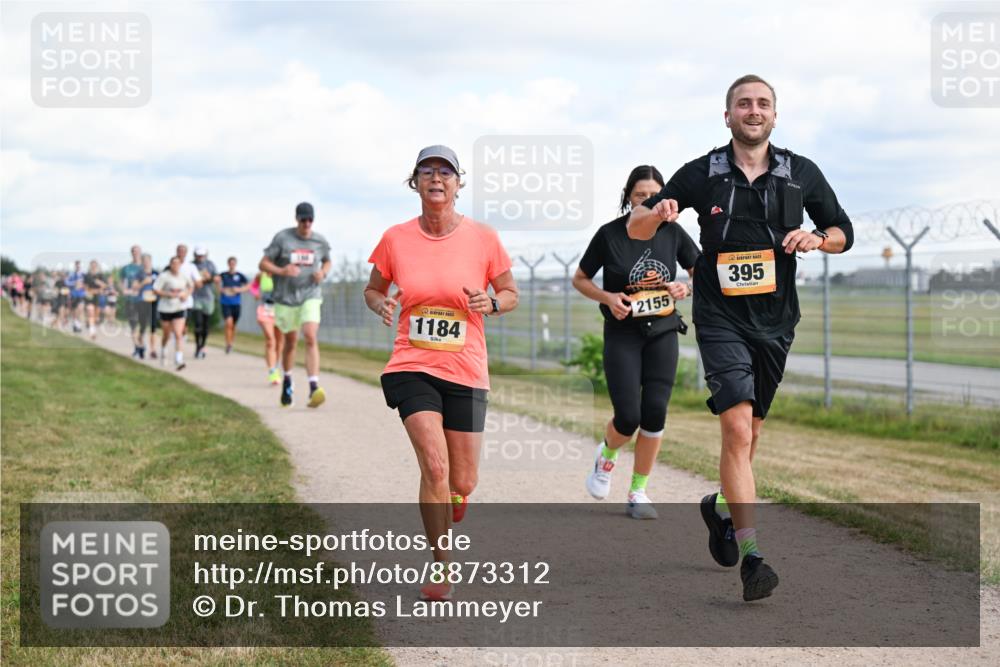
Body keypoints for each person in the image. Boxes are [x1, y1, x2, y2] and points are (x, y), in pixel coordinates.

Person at [631, 74, 854, 601]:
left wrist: (818, 239)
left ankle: (720, 509)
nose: (754, 111)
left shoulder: (800, 173)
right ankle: (753, 557)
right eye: (744, 103)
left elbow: (843, 232)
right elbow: (637, 227)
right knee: (735, 428)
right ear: (727, 115)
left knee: (750, 435)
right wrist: (655, 213)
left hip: (776, 321)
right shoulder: (703, 172)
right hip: (719, 317)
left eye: (763, 104)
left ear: (774, 115)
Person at [364, 145, 518, 601]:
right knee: (434, 465)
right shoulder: (395, 238)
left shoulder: (483, 238)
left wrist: (492, 302)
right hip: (411, 364)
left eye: (445, 172)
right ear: (415, 183)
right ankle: (441, 565)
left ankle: (456, 495)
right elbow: (373, 289)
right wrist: (382, 303)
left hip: (465, 368)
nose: (436, 178)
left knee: (462, 480)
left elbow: (510, 292)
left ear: (458, 183)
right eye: (427, 171)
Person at [575, 165, 698, 520]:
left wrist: (685, 287)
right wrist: (607, 297)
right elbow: (580, 278)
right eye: (640, 195)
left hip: (663, 331)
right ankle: (606, 457)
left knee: (655, 412)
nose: (647, 200)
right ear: (629, 197)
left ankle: (638, 491)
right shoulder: (609, 235)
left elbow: (699, 271)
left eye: (654, 195)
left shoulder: (673, 233)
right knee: (628, 417)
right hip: (623, 334)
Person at [259, 202, 332, 408]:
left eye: (310, 220)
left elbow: (327, 261)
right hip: (286, 299)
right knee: (290, 343)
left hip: (310, 295)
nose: (307, 224)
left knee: (310, 335)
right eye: (303, 220)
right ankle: (287, 381)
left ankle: (313, 387)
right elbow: (263, 263)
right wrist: (282, 271)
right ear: (297, 219)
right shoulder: (283, 238)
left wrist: (323, 272)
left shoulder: (319, 241)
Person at [154, 256, 194, 371]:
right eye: (173, 263)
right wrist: (168, 294)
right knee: (166, 334)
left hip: (179, 307)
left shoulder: (184, 276)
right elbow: (156, 290)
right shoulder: (164, 276)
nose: (176, 265)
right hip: (165, 308)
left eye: (178, 263)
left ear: (180, 265)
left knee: (178, 333)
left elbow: (191, 286)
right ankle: (163, 349)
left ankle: (178, 359)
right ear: (170, 264)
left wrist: (186, 295)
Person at [251, 271, 285, 384]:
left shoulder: (283, 273)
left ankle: (275, 365)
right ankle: (272, 371)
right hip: (265, 310)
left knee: (279, 342)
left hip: (280, 310)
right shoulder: (261, 275)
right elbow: (254, 286)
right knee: (271, 340)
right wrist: (255, 293)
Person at [216, 256, 249, 354]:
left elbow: (248, 286)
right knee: (228, 323)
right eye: (230, 263)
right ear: (228, 264)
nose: (232, 265)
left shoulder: (240, 275)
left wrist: (239, 289)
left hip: (236, 303)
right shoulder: (223, 275)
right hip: (225, 302)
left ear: (235, 264)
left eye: (233, 263)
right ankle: (228, 344)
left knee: (233, 325)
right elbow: (216, 280)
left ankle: (231, 342)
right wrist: (220, 289)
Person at [190, 247, 217, 359]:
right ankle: (197, 346)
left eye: (202, 255)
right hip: (196, 297)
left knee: (206, 325)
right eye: (198, 255)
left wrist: (207, 278)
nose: (200, 257)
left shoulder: (210, 265)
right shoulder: (191, 265)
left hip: (208, 297)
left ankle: (203, 345)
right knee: (198, 323)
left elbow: (215, 278)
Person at [120, 245, 146, 358]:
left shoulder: (145, 267)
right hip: (131, 299)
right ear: (131, 253)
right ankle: (137, 347)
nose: (135, 253)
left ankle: (141, 342)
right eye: (134, 251)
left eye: (137, 251)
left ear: (140, 252)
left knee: (143, 325)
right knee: (133, 324)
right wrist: (123, 290)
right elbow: (121, 282)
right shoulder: (126, 268)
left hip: (144, 300)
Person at [135, 253, 159, 359]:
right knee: (143, 325)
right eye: (144, 261)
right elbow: (135, 287)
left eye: (147, 260)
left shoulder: (156, 273)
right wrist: (143, 283)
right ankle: (141, 346)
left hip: (153, 301)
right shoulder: (139, 274)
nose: (146, 263)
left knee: (153, 326)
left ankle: (153, 350)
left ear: (150, 261)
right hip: (142, 301)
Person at [83, 260, 108, 340]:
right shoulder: (87, 276)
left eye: (95, 265)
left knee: (96, 317)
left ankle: (91, 324)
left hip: (98, 297)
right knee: (91, 312)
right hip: (90, 296)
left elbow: (105, 286)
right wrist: (89, 291)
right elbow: (85, 287)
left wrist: (99, 283)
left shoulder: (101, 275)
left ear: (97, 266)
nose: (93, 267)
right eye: (92, 265)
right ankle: (92, 332)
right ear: (90, 266)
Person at [67, 260, 86, 332]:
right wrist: (74, 283)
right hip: (73, 295)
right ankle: (75, 325)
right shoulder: (71, 274)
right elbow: (67, 282)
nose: (78, 266)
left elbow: (87, 283)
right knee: (75, 311)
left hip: (81, 294)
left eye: (79, 265)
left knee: (80, 309)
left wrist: (82, 285)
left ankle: (79, 326)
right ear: (75, 266)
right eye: (76, 265)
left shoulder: (84, 274)